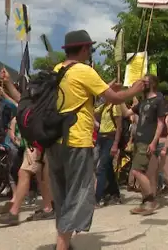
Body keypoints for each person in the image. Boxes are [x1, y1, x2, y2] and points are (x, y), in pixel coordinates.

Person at [49, 30, 144, 250]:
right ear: (83, 49)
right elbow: (115, 98)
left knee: (61, 194)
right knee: (80, 193)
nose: (90, 52)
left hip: (55, 141)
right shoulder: (85, 71)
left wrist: (109, 88)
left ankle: (64, 241)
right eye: (90, 48)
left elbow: (83, 96)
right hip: (77, 141)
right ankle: (62, 246)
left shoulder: (57, 70)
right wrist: (135, 89)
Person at [0, 70, 55, 226]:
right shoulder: (44, 100)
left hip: (39, 145)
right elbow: (20, 100)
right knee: (41, 178)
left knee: (26, 173)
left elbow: (21, 100)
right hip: (39, 144)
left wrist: (8, 83)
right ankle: (49, 208)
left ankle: (14, 213)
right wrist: (8, 82)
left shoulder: (42, 101)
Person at [121, 74, 168, 215]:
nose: (142, 84)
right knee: (143, 173)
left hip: (148, 141)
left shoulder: (159, 100)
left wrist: (154, 142)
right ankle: (144, 202)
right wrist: (121, 96)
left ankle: (150, 200)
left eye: (145, 82)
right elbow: (126, 113)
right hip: (138, 141)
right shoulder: (141, 103)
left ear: (152, 83)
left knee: (136, 171)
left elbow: (161, 124)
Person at [93, 96, 123, 207]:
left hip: (110, 138)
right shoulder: (104, 106)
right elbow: (93, 112)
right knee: (108, 167)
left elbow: (119, 127)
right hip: (101, 138)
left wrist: (115, 144)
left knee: (101, 168)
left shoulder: (115, 107)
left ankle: (97, 198)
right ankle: (115, 194)